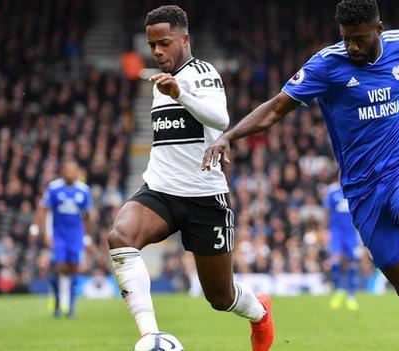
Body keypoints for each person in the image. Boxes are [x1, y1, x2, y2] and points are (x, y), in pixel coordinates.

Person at [203, 0, 399, 349]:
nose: (351, 46)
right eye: (346, 38)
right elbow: (276, 108)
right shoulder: (326, 65)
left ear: (379, 29)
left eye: (360, 38)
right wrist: (229, 135)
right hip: (361, 188)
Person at [106, 6, 274, 351]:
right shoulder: (159, 82)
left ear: (184, 38)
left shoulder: (202, 73)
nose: (157, 52)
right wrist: (170, 91)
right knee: (120, 236)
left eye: (164, 43)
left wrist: (179, 94)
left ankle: (260, 313)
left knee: (220, 295)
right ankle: (151, 336)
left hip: (203, 196)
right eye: (152, 45)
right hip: (161, 190)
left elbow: (221, 119)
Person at [32, 160, 94, 317]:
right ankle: (58, 304)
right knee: (56, 267)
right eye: (67, 171)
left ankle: (71, 308)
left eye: (73, 171)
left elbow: (88, 217)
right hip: (58, 235)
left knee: (74, 269)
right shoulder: (54, 188)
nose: (70, 174)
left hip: (76, 236)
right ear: (62, 172)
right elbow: (44, 209)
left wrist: (88, 238)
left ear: (77, 172)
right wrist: (44, 233)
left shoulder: (84, 190)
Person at [325, 179, 361, 311]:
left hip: (351, 233)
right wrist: (327, 231)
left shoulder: (355, 189)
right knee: (335, 260)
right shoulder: (332, 191)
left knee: (352, 262)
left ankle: (351, 296)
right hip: (337, 234)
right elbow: (326, 212)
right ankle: (339, 290)